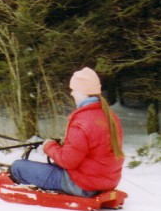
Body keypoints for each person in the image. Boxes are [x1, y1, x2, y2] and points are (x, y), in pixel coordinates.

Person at [10, 67, 124, 197]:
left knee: (18, 167)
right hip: (106, 182)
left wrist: (48, 146)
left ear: (83, 91)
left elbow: (67, 161)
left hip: (82, 185)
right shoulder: (110, 117)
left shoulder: (82, 122)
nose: (72, 93)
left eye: (74, 89)